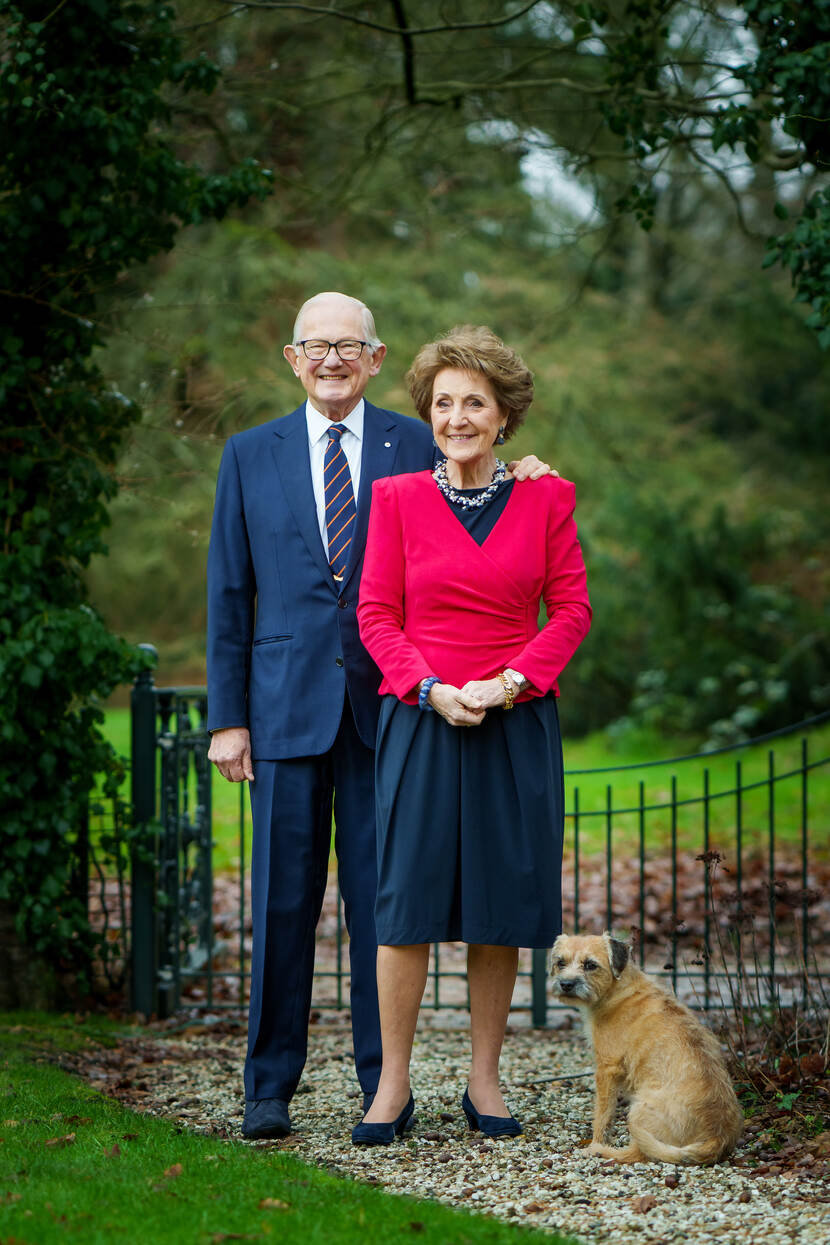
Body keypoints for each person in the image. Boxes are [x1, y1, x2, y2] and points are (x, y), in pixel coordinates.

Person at [205, 293, 553, 1140]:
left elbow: (490, 494)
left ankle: (379, 1085)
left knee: (382, 904)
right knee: (282, 905)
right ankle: (268, 1086)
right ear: (293, 358)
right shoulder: (249, 455)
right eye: (315, 346)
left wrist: (533, 473)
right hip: (284, 711)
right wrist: (229, 717)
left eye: (348, 346)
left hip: (390, 712)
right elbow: (229, 592)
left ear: (373, 356)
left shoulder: (416, 434)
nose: (331, 359)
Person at [354, 325, 591, 1145]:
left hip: (516, 722)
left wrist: (511, 681)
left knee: (498, 905)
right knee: (404, 905)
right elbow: (376, 614)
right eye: (444, 402)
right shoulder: (395, 500)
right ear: (429, 413)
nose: (457, 417)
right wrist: (431, 687)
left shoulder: (547, 498)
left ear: (503, 417)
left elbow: (571, 610)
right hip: (422, 718)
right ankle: (391, 1085)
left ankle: (484, 1081)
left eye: (474, 403)